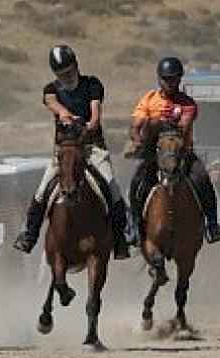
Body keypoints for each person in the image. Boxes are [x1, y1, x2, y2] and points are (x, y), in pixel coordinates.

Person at [12, 44, 131, 260]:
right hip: (64, 151)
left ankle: (121, 238)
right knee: (42, 191)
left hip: (91, 149)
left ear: (76, 66)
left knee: (111, 187)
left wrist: (87, 125)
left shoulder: (92, 84)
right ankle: (30, 235)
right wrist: (65, 114)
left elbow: (95, 116)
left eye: (69, 72)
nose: (66, 77)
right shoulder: (51, 90)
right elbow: (53, 104)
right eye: (61, 74)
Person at [125, 56, 220, 244]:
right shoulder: (149, 99)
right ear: (159, 79)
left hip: (181, 153)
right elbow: (136, 126)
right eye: (166, 79)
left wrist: (155, 123)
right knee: (136, 181)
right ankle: (135, 225)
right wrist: (137, 140)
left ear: (179, 79)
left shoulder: (187, 103)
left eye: (174, 79)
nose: (170, 83)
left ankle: (212, 225)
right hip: (153, 153)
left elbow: (182, 128)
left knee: (202, 179)